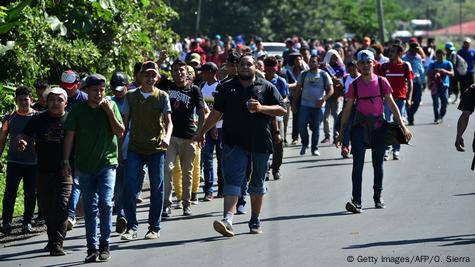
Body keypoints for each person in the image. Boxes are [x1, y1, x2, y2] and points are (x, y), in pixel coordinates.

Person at [196, 54, 286, 236]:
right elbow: (216, 113)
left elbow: (281, 109)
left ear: (255, 67)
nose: (245, 67)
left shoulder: (266, 87)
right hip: (233, 142)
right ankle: (227, 220)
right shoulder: (227, 88)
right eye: (242, 64)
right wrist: (202, 131)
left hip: (260, 142)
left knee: (257, 183)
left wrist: (261, 108)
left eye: (249, 64)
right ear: (237, 67)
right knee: (233, 181)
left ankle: (255, 219)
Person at [336, 50, 412, 213]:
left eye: (368, 62)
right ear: (357, 65)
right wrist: (342, 133)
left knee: (378, 164)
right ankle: (356, 201)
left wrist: (403, 126)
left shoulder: (382, 82)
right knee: (357, 165)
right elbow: (347, 110)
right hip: (359, 130)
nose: (365, 66)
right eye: (362, 63)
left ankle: (378, 197)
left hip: (378, 128)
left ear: (373, 63)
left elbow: (392, 105)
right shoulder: (354, 85)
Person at [62, 74, 124, 262]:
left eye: (102, 90)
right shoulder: (78, 110)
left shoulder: (111, 106)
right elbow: (70, 137)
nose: (98, 93)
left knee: (105, 203)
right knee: (90, 208)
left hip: (107, 164)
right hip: (84, 166)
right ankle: (92, 248)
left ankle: (105, 245)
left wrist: (108, 111)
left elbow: (120, 132)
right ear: (86, 91)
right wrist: (65, 161)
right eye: (95, 90)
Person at [120, 61, 173, 241]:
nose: (149, 78)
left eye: (153, 75)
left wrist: (166, 138)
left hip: (156, 148)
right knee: (129, 186)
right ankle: (131, 227)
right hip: (135, 147)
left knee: (157, 189)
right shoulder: (131, 96)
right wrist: (120, 149)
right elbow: (124, 124)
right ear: (139, 77)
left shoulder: (162, 96)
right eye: (146, 75)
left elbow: (169, 122)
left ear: (157, 78)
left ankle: (154, 227)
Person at [19, 87, 71, 256]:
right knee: (47, 208)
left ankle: (57, 243)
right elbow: (24, 134)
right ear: (46, 102)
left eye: (59, 100)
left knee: (62, 205)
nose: (55, 103)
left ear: (66, 102)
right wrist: (23, 142)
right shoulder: (39, 118)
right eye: (51, 100)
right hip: (43, 169)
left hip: (65, 171)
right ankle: (52, 238)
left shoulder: (71, 119)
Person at [162, 60, 205, 217]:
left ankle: (186, 203)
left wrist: (200, 132)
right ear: (172, 73)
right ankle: (167, 204)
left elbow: (202, 112)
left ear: (187, 73)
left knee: (187, 172)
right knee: (168, 169)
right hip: (171, 136)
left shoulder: (194, 90)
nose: (179, 73)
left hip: (189, 136)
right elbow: (149, 73)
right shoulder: (167, 86)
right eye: (175, 70)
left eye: (182, 70)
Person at [0, 86, 37, 235]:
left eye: (26, 100)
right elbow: (2, 139)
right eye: (20, 100)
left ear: (31, 100)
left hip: (33, 162)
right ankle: (6, 223)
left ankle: (27, 222)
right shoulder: (9, 117)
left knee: (30, 193)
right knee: (10, 192)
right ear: (16, 101)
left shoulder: (38, 116)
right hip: (14, 161)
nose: (23, 103)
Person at [292, 54, 334, 156]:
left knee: (316, 128)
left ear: (318, 63)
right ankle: (305, 144)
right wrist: (294, 103)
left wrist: (323, 99)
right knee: (302, 126)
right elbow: (297, 90)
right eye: (310, 61)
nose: (311, 63)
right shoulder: (303, 74)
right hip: (304, 105)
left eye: (314, 61)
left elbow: (331, 90)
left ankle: (314, 148)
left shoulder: (324, 74)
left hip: (318, 107)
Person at [380, 43, 413, 161]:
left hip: (400, 100)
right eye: (390, 51)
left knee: (398, 125)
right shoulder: (384, 66)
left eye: (393, 51)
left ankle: (396, 150)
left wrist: (409, 98)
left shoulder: (405, 65)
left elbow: (410, 83)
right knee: (386, 124)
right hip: (387, 100)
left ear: (400, 53)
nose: (390, 53)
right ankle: (386, 150)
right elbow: (380, 84)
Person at [264, 56, 289, 180]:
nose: (269, 73)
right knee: (264, 144)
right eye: (267, 70)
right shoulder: (260, 81)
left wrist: (278, 102)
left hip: (277, 117)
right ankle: (265, 169)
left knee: (279, 143)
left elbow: (285, 98)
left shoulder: (281, 81)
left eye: (272, 71)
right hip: (263, 116)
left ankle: (276, 168)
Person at [199, 62, 221, 200]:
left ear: (212, 72)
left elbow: (221, 110)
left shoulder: (220, 87)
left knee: (221, 159)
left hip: (220, 128)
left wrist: (214, 127)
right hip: (206, 129)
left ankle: (223, 187)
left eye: (204, 71)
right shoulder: (201, 87)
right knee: (207, 160)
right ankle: (208, 190)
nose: (202, 74)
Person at [428, 49, 454, 124]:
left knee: (444, 102)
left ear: (444, 55)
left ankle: (441, 115)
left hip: (444, 86)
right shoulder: (432, 64)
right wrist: (434, 71)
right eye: (438, 56)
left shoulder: (448, 63)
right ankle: (437, 117)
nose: (439, 57)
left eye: (441, 56)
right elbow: (428, 73)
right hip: (434, 86)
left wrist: (444, 71)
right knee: (435, 103)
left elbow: (452, 74)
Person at [403, 42, 425, 126]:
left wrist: (422, 80)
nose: (418, 50)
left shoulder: (418, 57)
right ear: (412, 49)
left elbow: (421, 69)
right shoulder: (404, 58)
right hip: (407, 83)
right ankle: (410, 117)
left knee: (417, 101)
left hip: (417, 82)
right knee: (408, 100)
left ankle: (410, 114)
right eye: (416, 49)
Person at [455, 84, 475, 169]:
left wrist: (458, 136)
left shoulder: (472, 90)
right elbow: (465, 116)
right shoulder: (472, 90)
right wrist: (458, 136)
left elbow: (465, 115)